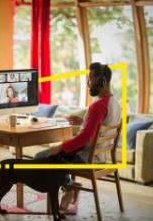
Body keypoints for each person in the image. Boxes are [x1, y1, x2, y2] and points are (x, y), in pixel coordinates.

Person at [35, 62, 121, 209]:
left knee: (41, 158)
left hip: (87, 159)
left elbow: (85, 138)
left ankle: (69, 188)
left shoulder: (98, 105)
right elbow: (101, 128)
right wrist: (85, 121)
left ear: (102, 81)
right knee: (58, 154)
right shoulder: (114, 103)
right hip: (101, 158)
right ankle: (70, 186)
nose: (88, 83)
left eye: (91, 79)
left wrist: (60, 147)